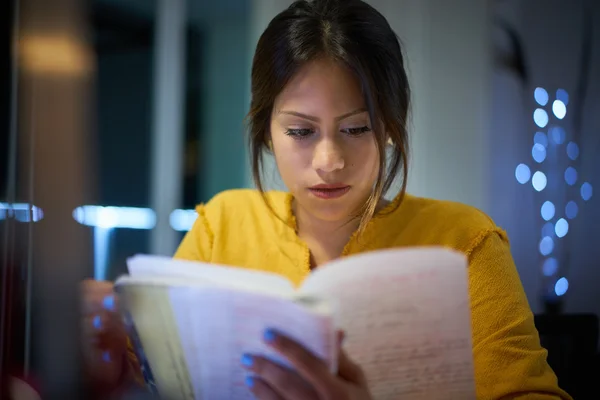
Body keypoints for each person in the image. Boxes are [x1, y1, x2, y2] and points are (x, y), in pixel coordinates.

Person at [82, 0, 572, 399]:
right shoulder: (223, 224)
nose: (329, 160)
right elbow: (150, 371)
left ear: (389, 130)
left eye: (356, 128)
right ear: (267, 132)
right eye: (300, 131)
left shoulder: (464, 242)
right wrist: (103, 354)